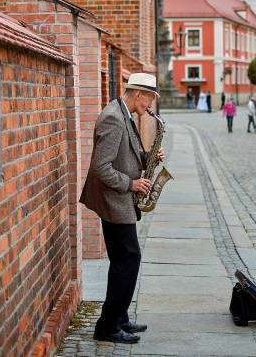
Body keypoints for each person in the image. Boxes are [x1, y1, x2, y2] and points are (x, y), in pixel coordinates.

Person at [80, 73, 164, 344]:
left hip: (119, 197)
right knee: (127, 260)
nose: (150, 104)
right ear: (138, 93)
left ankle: (120, 317)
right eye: (149, 97)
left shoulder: (124, 113)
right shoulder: (113, 118)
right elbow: (101, 167)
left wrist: (149, 156)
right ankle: (108, 325)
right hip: (114, 199)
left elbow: (123, 155)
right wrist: (131, 183)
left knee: (124, 259)